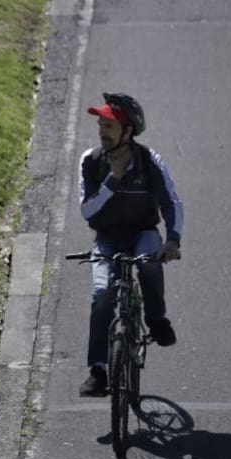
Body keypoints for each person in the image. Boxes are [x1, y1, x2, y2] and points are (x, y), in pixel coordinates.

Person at [77, 92, 183, 397]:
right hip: (107, 239)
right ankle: (98, 371)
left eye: (109, 126)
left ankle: (156, 319)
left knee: (149, 260)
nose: (102, 131)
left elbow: (171, 202)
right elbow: (87, 211)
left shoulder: (149, 162)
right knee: (101, 296)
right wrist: (112, 180)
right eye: (101, 124)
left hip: (142, 233)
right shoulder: (91, 162)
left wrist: (172, 240)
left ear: (128, 131)